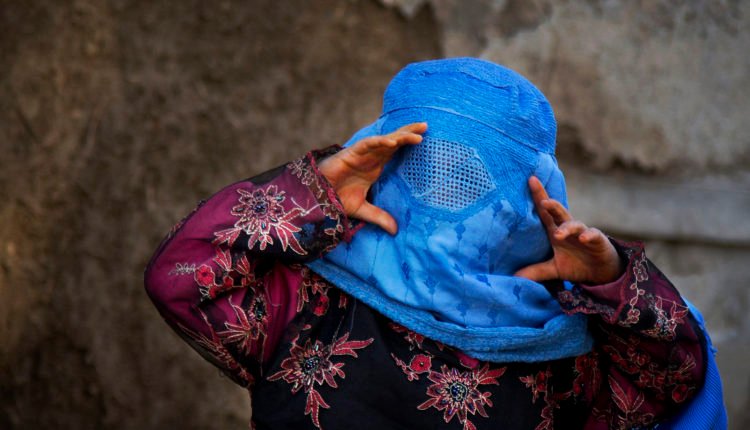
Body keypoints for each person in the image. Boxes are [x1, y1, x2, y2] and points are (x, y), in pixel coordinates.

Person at [144, 58, 720, 429]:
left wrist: (608, 278)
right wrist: (315, 192)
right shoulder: (305, 301)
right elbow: (179, 278)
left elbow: (673, 377)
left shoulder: (563, 351)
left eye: (468, 176)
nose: (441, 191)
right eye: (421, 163)